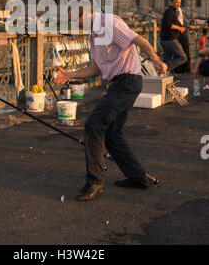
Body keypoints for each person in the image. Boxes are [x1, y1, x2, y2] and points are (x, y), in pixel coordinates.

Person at [54, 10, 167, 202]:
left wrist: (155, 58)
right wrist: (70, 75)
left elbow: (139, 40)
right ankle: (138, 177)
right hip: (118, 84)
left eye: (75, 18)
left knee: (93, 125)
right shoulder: (93, 35)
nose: (74, 22)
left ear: (87, 12)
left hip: (128, 81)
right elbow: (96, 69)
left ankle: (95, 180)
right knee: (112, 134)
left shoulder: (109, 22)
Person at [160, 0, 187, 73]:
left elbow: (176, 23)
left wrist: (182, 28)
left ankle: (163, 76)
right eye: (176, 2)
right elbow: (168, 24)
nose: (178, 4)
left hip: (165, 40)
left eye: (180, 3)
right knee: (183, 57)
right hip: (170, 40)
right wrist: (179, 28)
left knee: (167, 59)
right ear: (171, 2)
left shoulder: (173, 12)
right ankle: (163, 67)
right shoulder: (169, 11)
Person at [174, 5, 191, 74]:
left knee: (179, 52)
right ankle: (184, 69)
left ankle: (180, 69)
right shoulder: (179, 12)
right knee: (184, 52)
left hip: (180, 34)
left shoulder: (176, 12)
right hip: (182, 34)